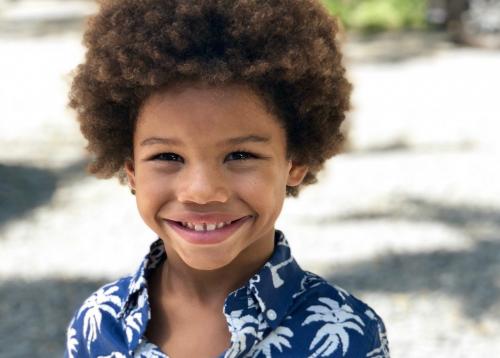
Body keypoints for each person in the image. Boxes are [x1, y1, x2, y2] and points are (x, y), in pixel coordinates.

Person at [65, 0, 389, 357]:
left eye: (240, 155)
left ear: (294, 162)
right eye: (168, 157)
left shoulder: (347, 335)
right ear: (132, 171)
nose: (202, 192)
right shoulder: (98, 323)